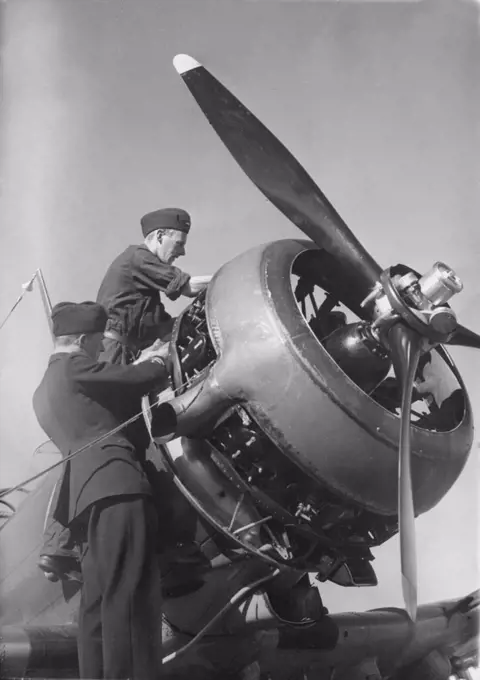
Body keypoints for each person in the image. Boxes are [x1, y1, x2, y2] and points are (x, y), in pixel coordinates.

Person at [33, 301, 174, 679]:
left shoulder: (43, 390)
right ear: (81, 340)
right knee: (131, 595)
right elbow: (136, 381)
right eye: (97, 342)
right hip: (118, 485)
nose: (100, 350)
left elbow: (104, 400)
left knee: (97, 606)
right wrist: (160, 359)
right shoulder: (75, 367)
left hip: (83, 501)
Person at [97, 207, 211, 365]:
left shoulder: (144, 280)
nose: (182, 252)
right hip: (114, 356)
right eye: (178, 244)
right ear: (160, 236)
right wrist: (225, 276)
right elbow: (188, 288)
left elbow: (162, 328)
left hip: (121, 353)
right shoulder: (139, 257)